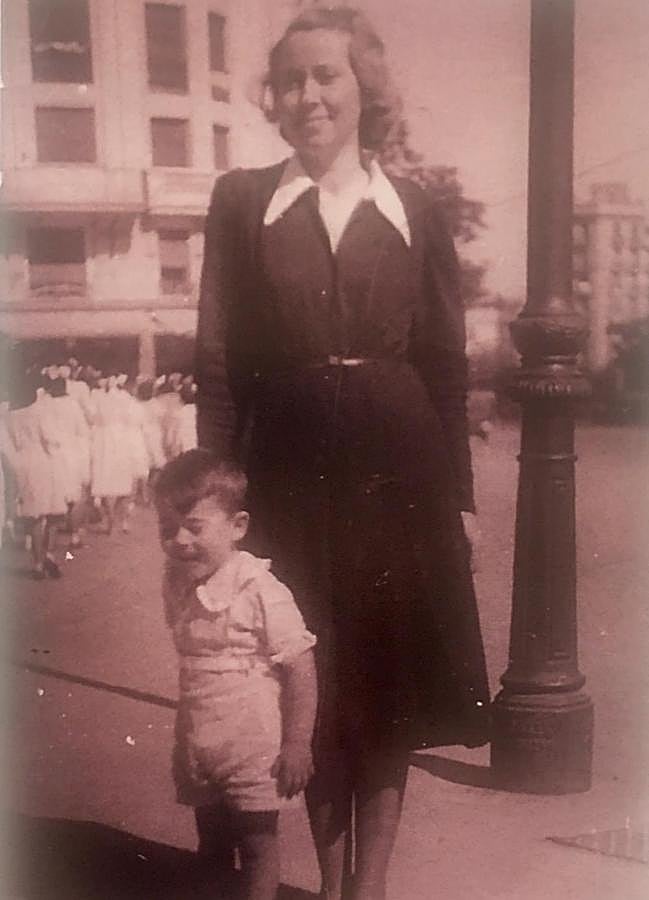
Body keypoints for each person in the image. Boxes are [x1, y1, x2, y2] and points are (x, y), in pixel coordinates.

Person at [195, 7, 490, 899]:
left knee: (388, 690)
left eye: (326, 75)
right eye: (290, 80)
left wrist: (463, 500)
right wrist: (215, 498)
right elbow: (216, 359)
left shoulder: (415, 210)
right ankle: (329, 890)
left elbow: (444, 362)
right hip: (283, 474)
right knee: (306, 684)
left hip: (400, 476)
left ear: (365, 89)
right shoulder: (242, 200)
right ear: (271, 101)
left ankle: (370, 891)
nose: (308, 94)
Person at [154, 449, 317, 900]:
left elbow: (300, 663)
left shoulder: (260, 588)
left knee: (258, 846)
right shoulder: (178, 581)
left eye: (195, 527)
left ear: (237, 527)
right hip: (197, 738)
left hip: (253, 746)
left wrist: (298, 743)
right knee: (210, 844)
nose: (181, 541)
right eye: (168, 530)